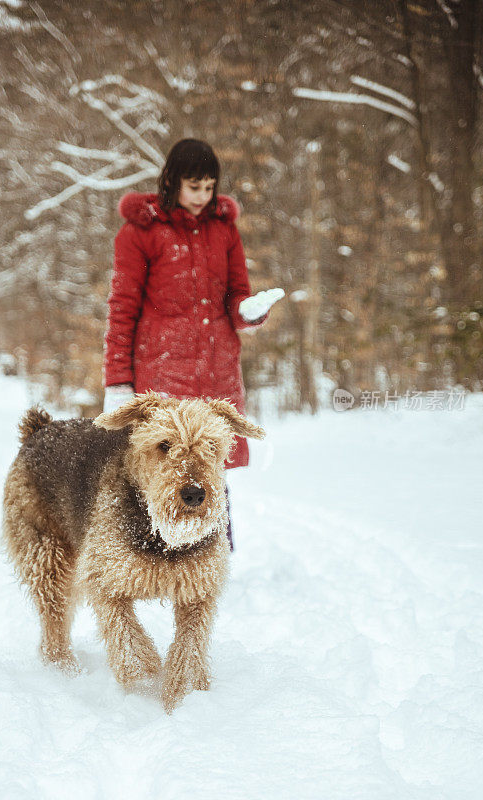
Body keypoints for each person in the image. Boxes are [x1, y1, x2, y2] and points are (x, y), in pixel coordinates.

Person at [103, 138, 283, 549]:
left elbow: (236, 297)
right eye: (194, 186)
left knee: (210, 461)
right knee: (164, 464)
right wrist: (118, 381)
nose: (203, 196)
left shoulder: (224, 229)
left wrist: (249, 310)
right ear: (171, 181)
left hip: (217, 369)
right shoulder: (140, 232)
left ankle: (215, 555)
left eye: (209, 187)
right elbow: (122, 308)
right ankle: (150, 554)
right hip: (162, 370)